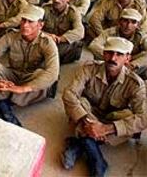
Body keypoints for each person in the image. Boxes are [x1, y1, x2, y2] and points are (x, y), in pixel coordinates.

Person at [62, 37, 147, 176]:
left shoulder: (135, 84)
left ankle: (78, 144)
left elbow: (143, 117)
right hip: (88, 116)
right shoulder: (89, 68)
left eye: (119, 54)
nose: (113, 58)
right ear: (103, 53)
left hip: (111, 121)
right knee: (80, 102)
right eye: (109, 52)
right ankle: (96, 159)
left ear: (127, 58)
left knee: (128, 118)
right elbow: (69, 93)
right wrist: (89, 123)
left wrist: (106, 128)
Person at [0, 5, 59, 126]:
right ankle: (5, 108)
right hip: (14, 74)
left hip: (31, 79)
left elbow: (53, 73)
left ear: (40, 25)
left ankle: (2, 103)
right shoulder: (11, 36)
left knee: (44, 78)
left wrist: (22, 89)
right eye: (23, 20)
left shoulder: (47, 43)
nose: (25, 25)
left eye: (30, 21)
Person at [42, 0, 85, 64]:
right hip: (46, 40)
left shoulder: (73, 12)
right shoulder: (45, 9)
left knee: (73, 43)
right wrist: (48, 36)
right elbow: (34, 27)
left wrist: (59, 38)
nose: (56, 0)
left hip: (61, 43)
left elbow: (80, 31)